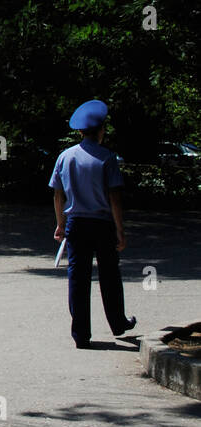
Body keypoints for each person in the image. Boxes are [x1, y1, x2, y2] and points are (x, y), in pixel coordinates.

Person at [49, 99, 136, 348]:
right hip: (102, 224)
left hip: (75, 223)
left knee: (78, 277)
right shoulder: (107, 158)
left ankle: (81, 334)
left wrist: (60, 223)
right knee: (109, 275)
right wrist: (120, 230)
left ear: (79, 132)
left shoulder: (65, 157)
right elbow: (114, 197)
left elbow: (57, 195)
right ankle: (118, 323)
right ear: (101, 130)